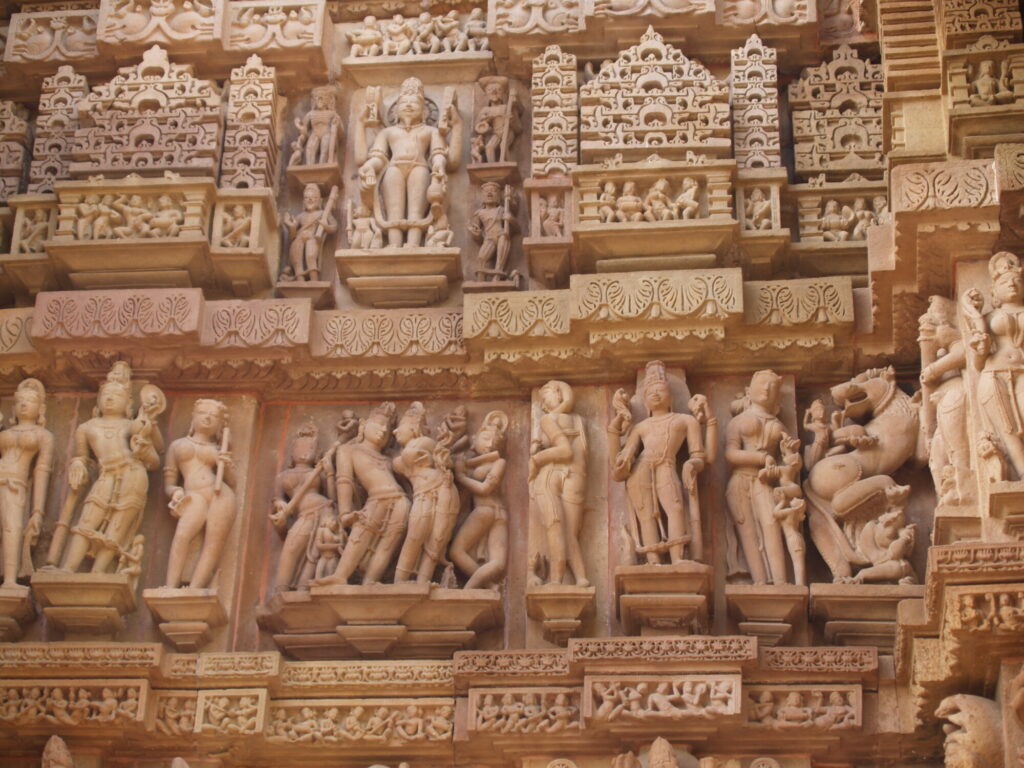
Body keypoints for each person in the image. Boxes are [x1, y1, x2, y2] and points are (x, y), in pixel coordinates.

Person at [162, 399, 235, 589]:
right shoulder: (177, 445)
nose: (208, 417)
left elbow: (232, 482)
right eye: (203, 412)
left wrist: (225, 465)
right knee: (182, 535)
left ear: (220, 424)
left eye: (214, 416)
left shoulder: (219, 449)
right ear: (193, 417)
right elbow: (169, 482)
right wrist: (175, 491)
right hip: (193, 495)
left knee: (213, 543)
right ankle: (170, 586)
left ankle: (195, 588)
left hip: (220, 495)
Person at [0, 379, 53, 587]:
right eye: (20, 400)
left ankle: (10, 580)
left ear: (41, 408)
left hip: (16, 484)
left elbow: (42, 472)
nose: (23, 404)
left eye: (30, 400)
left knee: (12, 527)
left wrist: (37, 512)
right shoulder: (5, 433)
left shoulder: (43, 435)